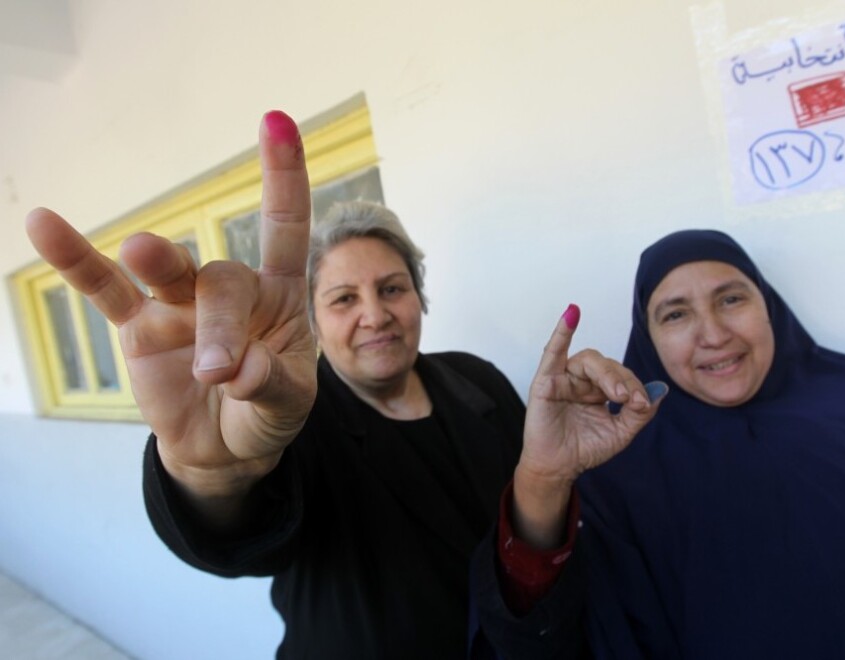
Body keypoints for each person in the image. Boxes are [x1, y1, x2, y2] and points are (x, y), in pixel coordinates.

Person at [25, 110, 529, 659]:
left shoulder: (477, 381)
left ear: (419, 296)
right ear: (309, 318)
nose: (374, 314)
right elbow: (247, 543)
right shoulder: (287, 414)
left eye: (392, 288)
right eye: (343, 299)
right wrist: (213, 475)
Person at [472, 229, 845, 659]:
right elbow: (542, 636)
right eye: (675, 315)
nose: (714, 334)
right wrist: (545, 477)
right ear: (647, 339)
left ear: (768, 305)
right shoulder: (614, 462)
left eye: (731, 299)